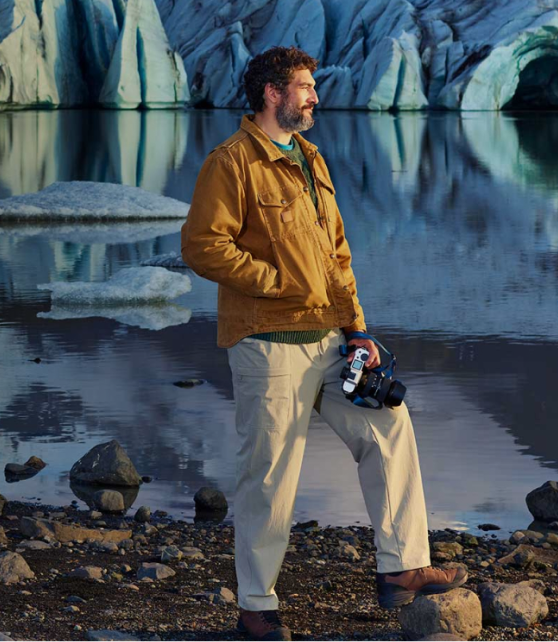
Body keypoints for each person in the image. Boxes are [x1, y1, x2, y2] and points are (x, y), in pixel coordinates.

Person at [178, 46, 467, 642]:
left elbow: (337, 257)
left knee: (388, 425)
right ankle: (257, 607)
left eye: (312, 86)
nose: (314, 96)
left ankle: (402, 567)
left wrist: (357, 329)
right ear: (272, 93)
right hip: (268, 344)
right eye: (305, 87)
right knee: (270, 474)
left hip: (330, 340)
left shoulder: (310, 158)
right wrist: (276, 283)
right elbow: (203, 245)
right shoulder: (233, 162)